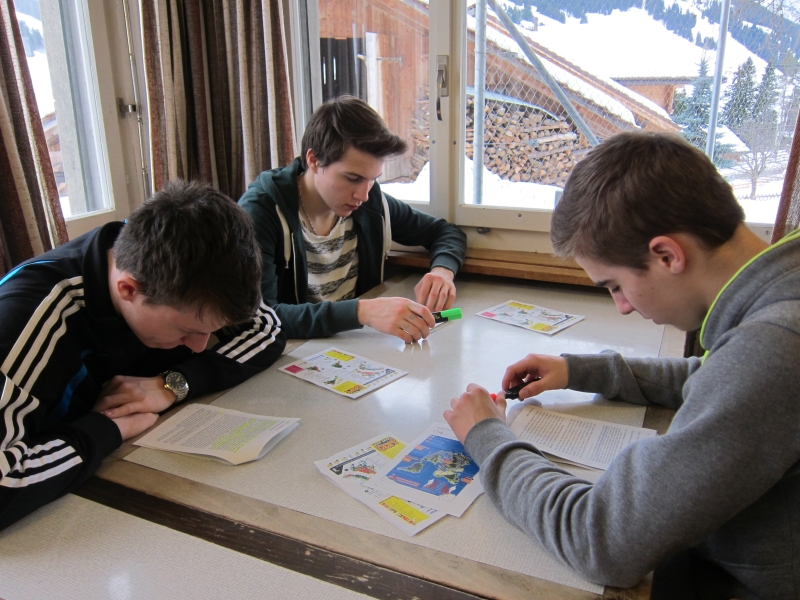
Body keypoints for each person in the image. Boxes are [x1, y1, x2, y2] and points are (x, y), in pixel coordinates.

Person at [444, 132, 800, 598]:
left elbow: (601, 541)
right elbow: (715, 377)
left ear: (667, 255)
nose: (623, 308)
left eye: (615, 285)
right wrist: (579, 370)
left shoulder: (773, 347)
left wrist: (486, 436)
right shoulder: (782, 291)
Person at [0, 181, 286, 530]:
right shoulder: (24, 320)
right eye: (186, 331)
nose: (198, 346)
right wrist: (105, 429)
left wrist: (173, 384)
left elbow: (267, 327)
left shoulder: (191, 264)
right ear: (129, 289)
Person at [238, 95, 467, 342]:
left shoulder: (371, 203)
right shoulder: (260, 213)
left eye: (373, 179)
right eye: (353, 178)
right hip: (291, 351)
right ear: (313, 160)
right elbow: (259, 318)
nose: (364, 195)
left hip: (355, 346)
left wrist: (443, 272)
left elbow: (445, 232)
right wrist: (362, 311)